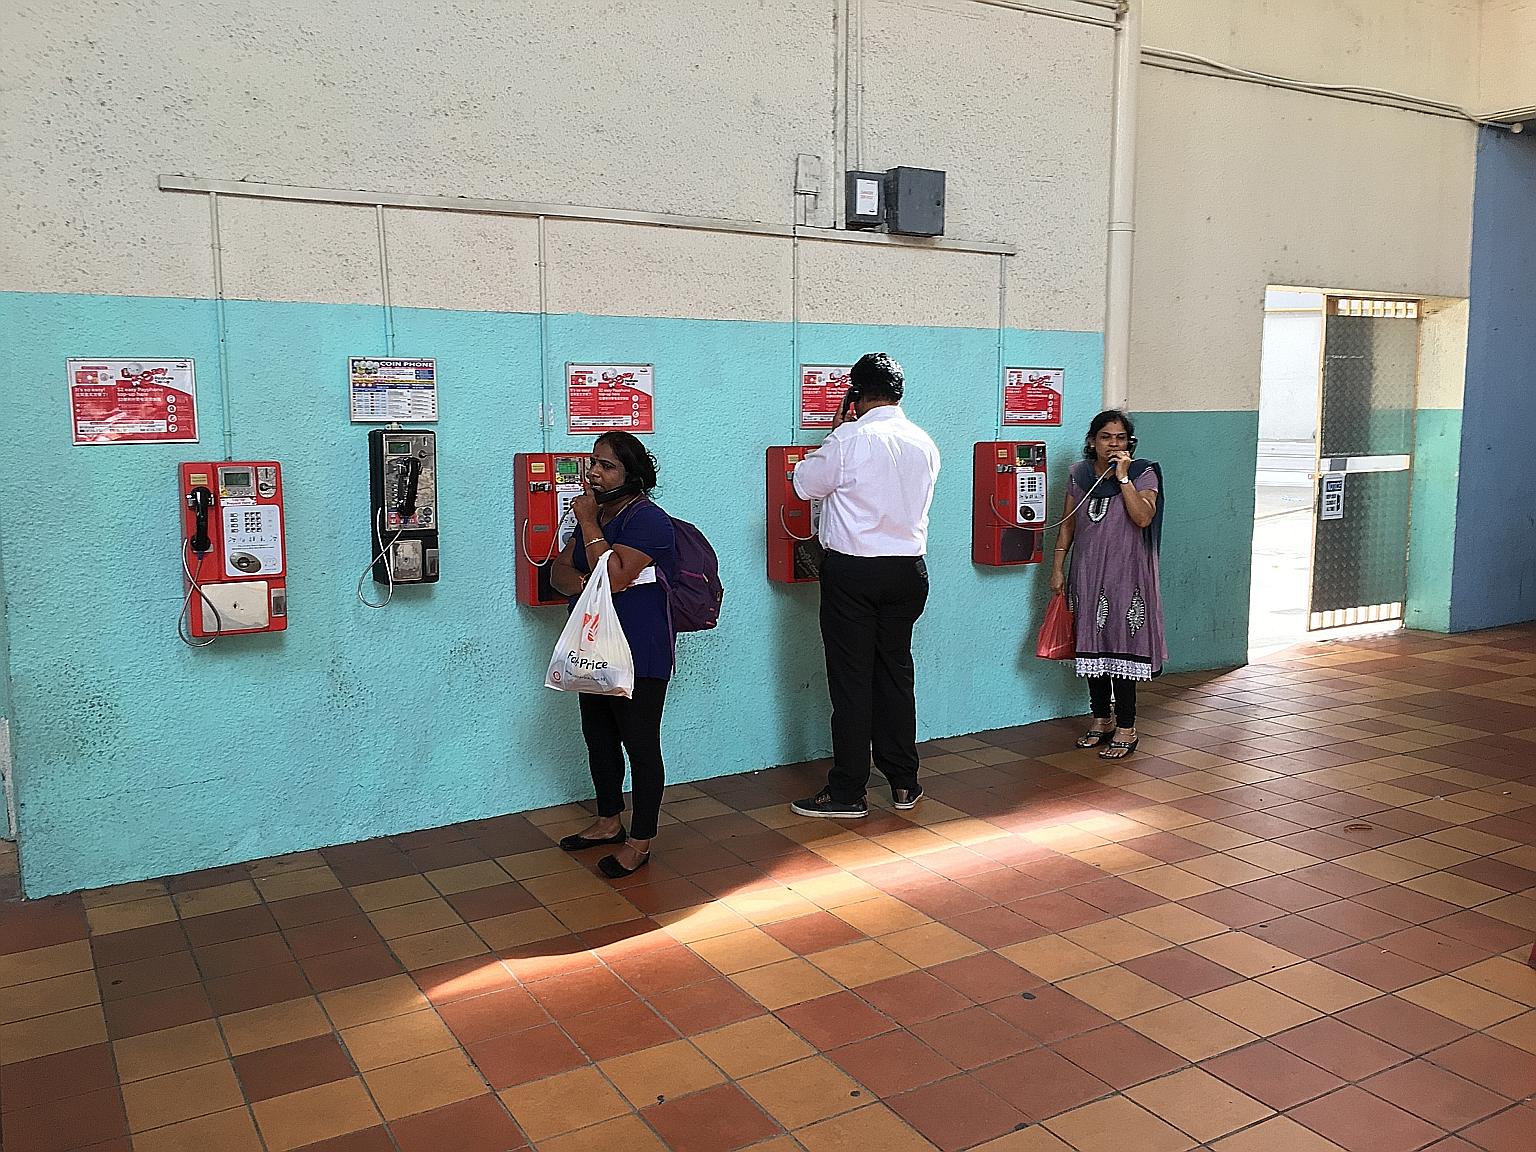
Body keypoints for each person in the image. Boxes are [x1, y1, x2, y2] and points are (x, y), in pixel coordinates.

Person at [788, 353, 941, 818]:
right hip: (909, 572)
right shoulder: (924, 441)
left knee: (852, 681)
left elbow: (803, 484)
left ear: (855, 394)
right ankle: (903, 782)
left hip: (854, 573)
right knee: (895, 674)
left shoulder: (848, 439)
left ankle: (848, 791)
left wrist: (836, 431)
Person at [548, 432, 676, 877]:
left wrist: (587, 526)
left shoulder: (649, 522)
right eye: (593, 463)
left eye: (607, 466)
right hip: (593, 644)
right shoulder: (597, 515)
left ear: (633, 475)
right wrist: (584, 581)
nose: (593, 474)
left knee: (639, 743)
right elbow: (559, 573)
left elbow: (617, 576)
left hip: (639, 648)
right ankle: (608, 821)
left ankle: (641, 841)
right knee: (598, 735)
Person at [1051, 409, 1166, 760]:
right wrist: (1057, 568)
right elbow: (1068, 526)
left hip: (1127, 576)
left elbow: (1143, 517)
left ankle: (1127, 727)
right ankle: (1101, 720)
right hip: (1086, 574)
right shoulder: (1079, 475)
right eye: (1106, 437)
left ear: (1129, 442)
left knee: (1121, 647)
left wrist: (1123, 477)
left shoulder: (1144, 473)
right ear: (1092, 441)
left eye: (1120, 437)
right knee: (1092, 648)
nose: (1113, 443)